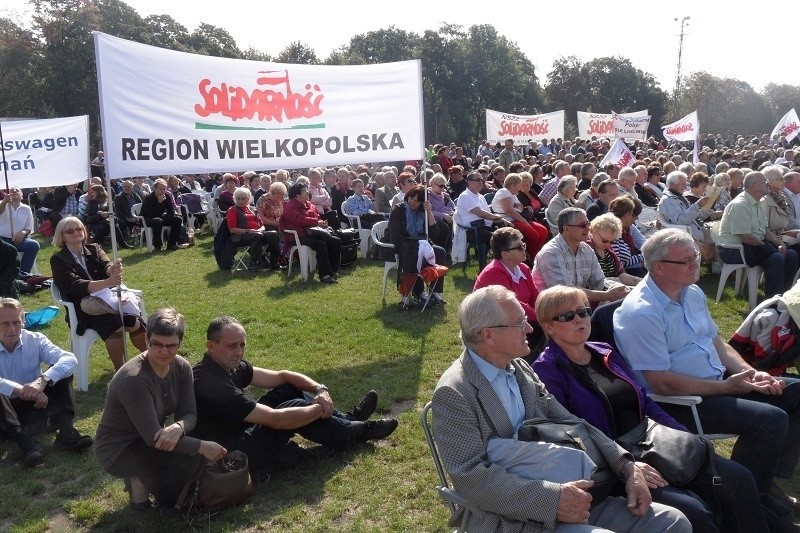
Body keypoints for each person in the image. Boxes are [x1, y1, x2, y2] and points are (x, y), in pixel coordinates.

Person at [431, 285, 690, 532]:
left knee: (673, 522)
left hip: (567, 490)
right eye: (519, 323)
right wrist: (553, 500)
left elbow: (572, 422)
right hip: (511, 518)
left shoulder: (518, 369)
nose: (529, 328)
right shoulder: (455, 392)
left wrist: (626, 466)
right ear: (488, 335)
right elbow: (469, 476)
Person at [533, 285, 767, 532]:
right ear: (549, 326)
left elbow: (645, 403)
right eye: (567, 316)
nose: (579, 319)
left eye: (583, 311)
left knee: (738, 478)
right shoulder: (547, 371)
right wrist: (626, 465)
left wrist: (686, 438)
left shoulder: (604, 353)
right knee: (694, 510)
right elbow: (574, 435)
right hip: (613, 463)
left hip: (653, 443)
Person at [614, 228, 800, 522]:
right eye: (686, 261)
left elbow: (717, 343)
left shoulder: (692, 292)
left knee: (795, 391)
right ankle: (754, 495)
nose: (695, 264)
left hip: (719, 384)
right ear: (658, 267)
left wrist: (750, 373)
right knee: (770, 420)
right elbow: (659, 382)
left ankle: (765, 482)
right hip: (680, 401)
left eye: (695, 256)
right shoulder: (642, 312)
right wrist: (727, 387)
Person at [191, 316, 398, 478]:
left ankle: (350, 420)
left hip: (239, 429)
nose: (239, 352)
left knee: (288, 388)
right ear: (211, 346)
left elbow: (282, 376)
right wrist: (318, 408)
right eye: (232, 346)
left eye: (242, 345)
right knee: (295, 406)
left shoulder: (229, 364)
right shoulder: (210, 382)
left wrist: (320, 390)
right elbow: (276, 420)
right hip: (232, 454)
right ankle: (357, 431)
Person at [95, 309, 227, 509]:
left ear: (179, 344)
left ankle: (153, 485)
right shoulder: (134, 379)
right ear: (146, 340)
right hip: (119, 449)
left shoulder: (182, 367)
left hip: (152, 437)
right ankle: (139, 488)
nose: (164, 352)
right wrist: (203, 447)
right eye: (157, 344)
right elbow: (154, 439)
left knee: (196, 443)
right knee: (190, 458)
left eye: (171, 345)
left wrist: (179, 427)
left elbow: (190, 414)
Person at [0, 298, 93, 467]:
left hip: (36, 404)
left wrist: (43, 381)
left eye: (16, 322)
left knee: (61, 372)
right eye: (5, 324)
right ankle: (27, 444)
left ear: (23, 321)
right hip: (5, 414)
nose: (12, 329)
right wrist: (20, 389)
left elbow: (69, 359)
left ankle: (66, 432)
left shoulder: (34, 339)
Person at [50, 216, 147, 370]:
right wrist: (107, 283)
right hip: (83, 310)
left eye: (79, 228)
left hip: (108, 301)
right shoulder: (58, 259)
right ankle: (121, 369)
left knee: (133, 321)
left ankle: (151, 358)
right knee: (114, 322)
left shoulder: (94, 248)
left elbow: (106, 264)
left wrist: (112, 270)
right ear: (61, 236)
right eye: (70, 231)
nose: (76, 232)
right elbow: (74, 286)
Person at [718, 171, 799, 298]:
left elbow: (765, 230)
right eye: (764, 182)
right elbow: (745, 237)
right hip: (734, 249)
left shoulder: (757, 202)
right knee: (776, 258)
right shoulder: (740, 205)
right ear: (754, 186)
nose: (767, 184)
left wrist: (779, 243)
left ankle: (784, 294)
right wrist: (770, 248)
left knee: (791, 255)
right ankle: (772, 298)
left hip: (753, 245)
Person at [532, 207, 629, 305]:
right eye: (583, 225)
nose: (588, 228)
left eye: (588, 223)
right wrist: (607, 295)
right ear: (566, 229)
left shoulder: (586, 249)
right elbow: (566, 293)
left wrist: (620, 289)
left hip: (578, 306)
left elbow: (599, 281)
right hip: (554, 310)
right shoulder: (551, 253)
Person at [473, 227, 543, 360]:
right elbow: (513, 303)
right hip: (492, 323)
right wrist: (541, 318)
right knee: (540, 329)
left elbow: (535, 296)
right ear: (505, 254)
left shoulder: (523, 268)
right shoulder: (494, 272)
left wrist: (546, 310)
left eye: (523, 244)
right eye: (519, 247)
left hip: (514, 318)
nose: (524, 249)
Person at [388, 184, 447, 304]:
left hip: (423, 243)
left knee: (440, 252)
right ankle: (415, 291)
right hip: (405, 244)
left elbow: (435, 234)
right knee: (413, 251)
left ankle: (435, 292)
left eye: (416, 201)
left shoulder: (423, 212)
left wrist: (429, 212)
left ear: (422, 202)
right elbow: (394, 235)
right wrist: (411, 243)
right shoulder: (399, 210)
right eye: (411, 198)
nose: (412, 203)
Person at [279, 183, 341, 284]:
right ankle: (324, 275)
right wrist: (317, 222)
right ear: (297, 195)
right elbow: (299, 220)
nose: (308, 192)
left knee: (336, 241)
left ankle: (332, 271)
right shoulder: (290, 206)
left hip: (313, 232)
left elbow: (317, 217)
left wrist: (322, 223)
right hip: (298, 236)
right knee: (321, 244)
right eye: (304, 190)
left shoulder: (309, 204)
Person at [490, 173, 549, 260]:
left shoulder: (513, 195)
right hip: (510, 221)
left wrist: (526, 208)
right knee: (534, 235)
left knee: (543, 231)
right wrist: (524, 221)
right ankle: (527, 257)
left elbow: (519, 208)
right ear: (512, 184)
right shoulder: (503, 192)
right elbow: (509, 211)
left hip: (519, 219)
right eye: (519, 185)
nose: (519, 187)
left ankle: (533, 256)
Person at [227, 187, 283, 272]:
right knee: (257, 236)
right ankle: (253, 263)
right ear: (235, 199)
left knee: (273, 233)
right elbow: (232, 229)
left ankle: (274, 261)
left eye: (243, 198)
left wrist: (260, 229)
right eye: (238, 198)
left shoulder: (253, 209)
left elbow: (262, 225)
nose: (240, 201)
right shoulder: (232, 210)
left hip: (257, 233)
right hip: (240, 236)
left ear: (248, 199)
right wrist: (249, 231)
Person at [587, 214, 642, 287]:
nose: (608, 244)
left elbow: (620, 274)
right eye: (604, 240)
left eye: (611, 242)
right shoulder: (586, 250)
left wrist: (638, 281)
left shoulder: (609, 251)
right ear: (593, 231)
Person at [0, 187, 39, 274]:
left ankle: (24, 273)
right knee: (10, 250)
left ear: (22, 196)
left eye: (17, 190)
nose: (14, 191)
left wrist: (22, 233)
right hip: (3, 239)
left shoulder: (26, 208)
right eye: (11, 190)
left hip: (19, 239)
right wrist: (4, 202)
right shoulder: (3, 204)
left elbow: (29, 227)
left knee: (34, 245)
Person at [139, 178, 185, 252]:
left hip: (160, 218)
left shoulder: (166, 196)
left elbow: (171, 211)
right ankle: (157, 246)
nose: (162, 191)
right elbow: (150, 214)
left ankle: (171, 244)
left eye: (164, 189)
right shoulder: (148, 198)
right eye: (160, 189)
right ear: (155, 189)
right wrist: (159, 203)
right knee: (157, 221)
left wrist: (167, 218)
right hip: (146, 219)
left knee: (177, 219)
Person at [608, 196, 647, 277]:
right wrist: (643, 257)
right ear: (627, 214)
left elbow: (645, 244)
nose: (636, 218)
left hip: (627, 270)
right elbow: (621, 262)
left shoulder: (625, 229)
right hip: (619, 275)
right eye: (634, 215)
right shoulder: (612, 231)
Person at [84, 185, 133, 249]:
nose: (91, 194)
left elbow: (114, 212)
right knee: (103, 227)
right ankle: (96, 244)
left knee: (114, 224)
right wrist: (101, 215)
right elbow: (89, 218)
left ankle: (121, 243)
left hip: (108, 221)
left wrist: (107, 214)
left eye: (93, 192)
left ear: (99, 192)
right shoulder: (91, 203)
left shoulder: (108, 202)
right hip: (96, 222)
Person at [425, 173, 455, 252]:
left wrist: (451, 214)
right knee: (443, 226)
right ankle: (443, 251)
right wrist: (443, 215)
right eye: (440, 186)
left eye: (444, 186)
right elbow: (428, 211)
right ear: (432, 184)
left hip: (449, 218)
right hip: (433, 221)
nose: (442, 188)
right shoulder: (427, 195)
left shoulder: (445, 196)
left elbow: (453, 207)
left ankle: (452, 251)